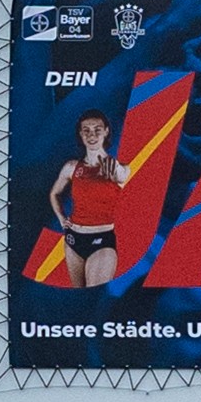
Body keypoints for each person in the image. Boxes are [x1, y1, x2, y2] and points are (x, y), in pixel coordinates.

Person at [47, 113, 128, 285]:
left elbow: (122, 175)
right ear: (81, 134)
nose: (92, 135)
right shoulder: (71, 167)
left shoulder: (116, 167)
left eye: (97, 130)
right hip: (73, 240)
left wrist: (115, 170)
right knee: (78, 298)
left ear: (106, 132)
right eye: (86, 131)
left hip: (102, 241)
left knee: (92, 296)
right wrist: (61, 218)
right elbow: (54, 193)